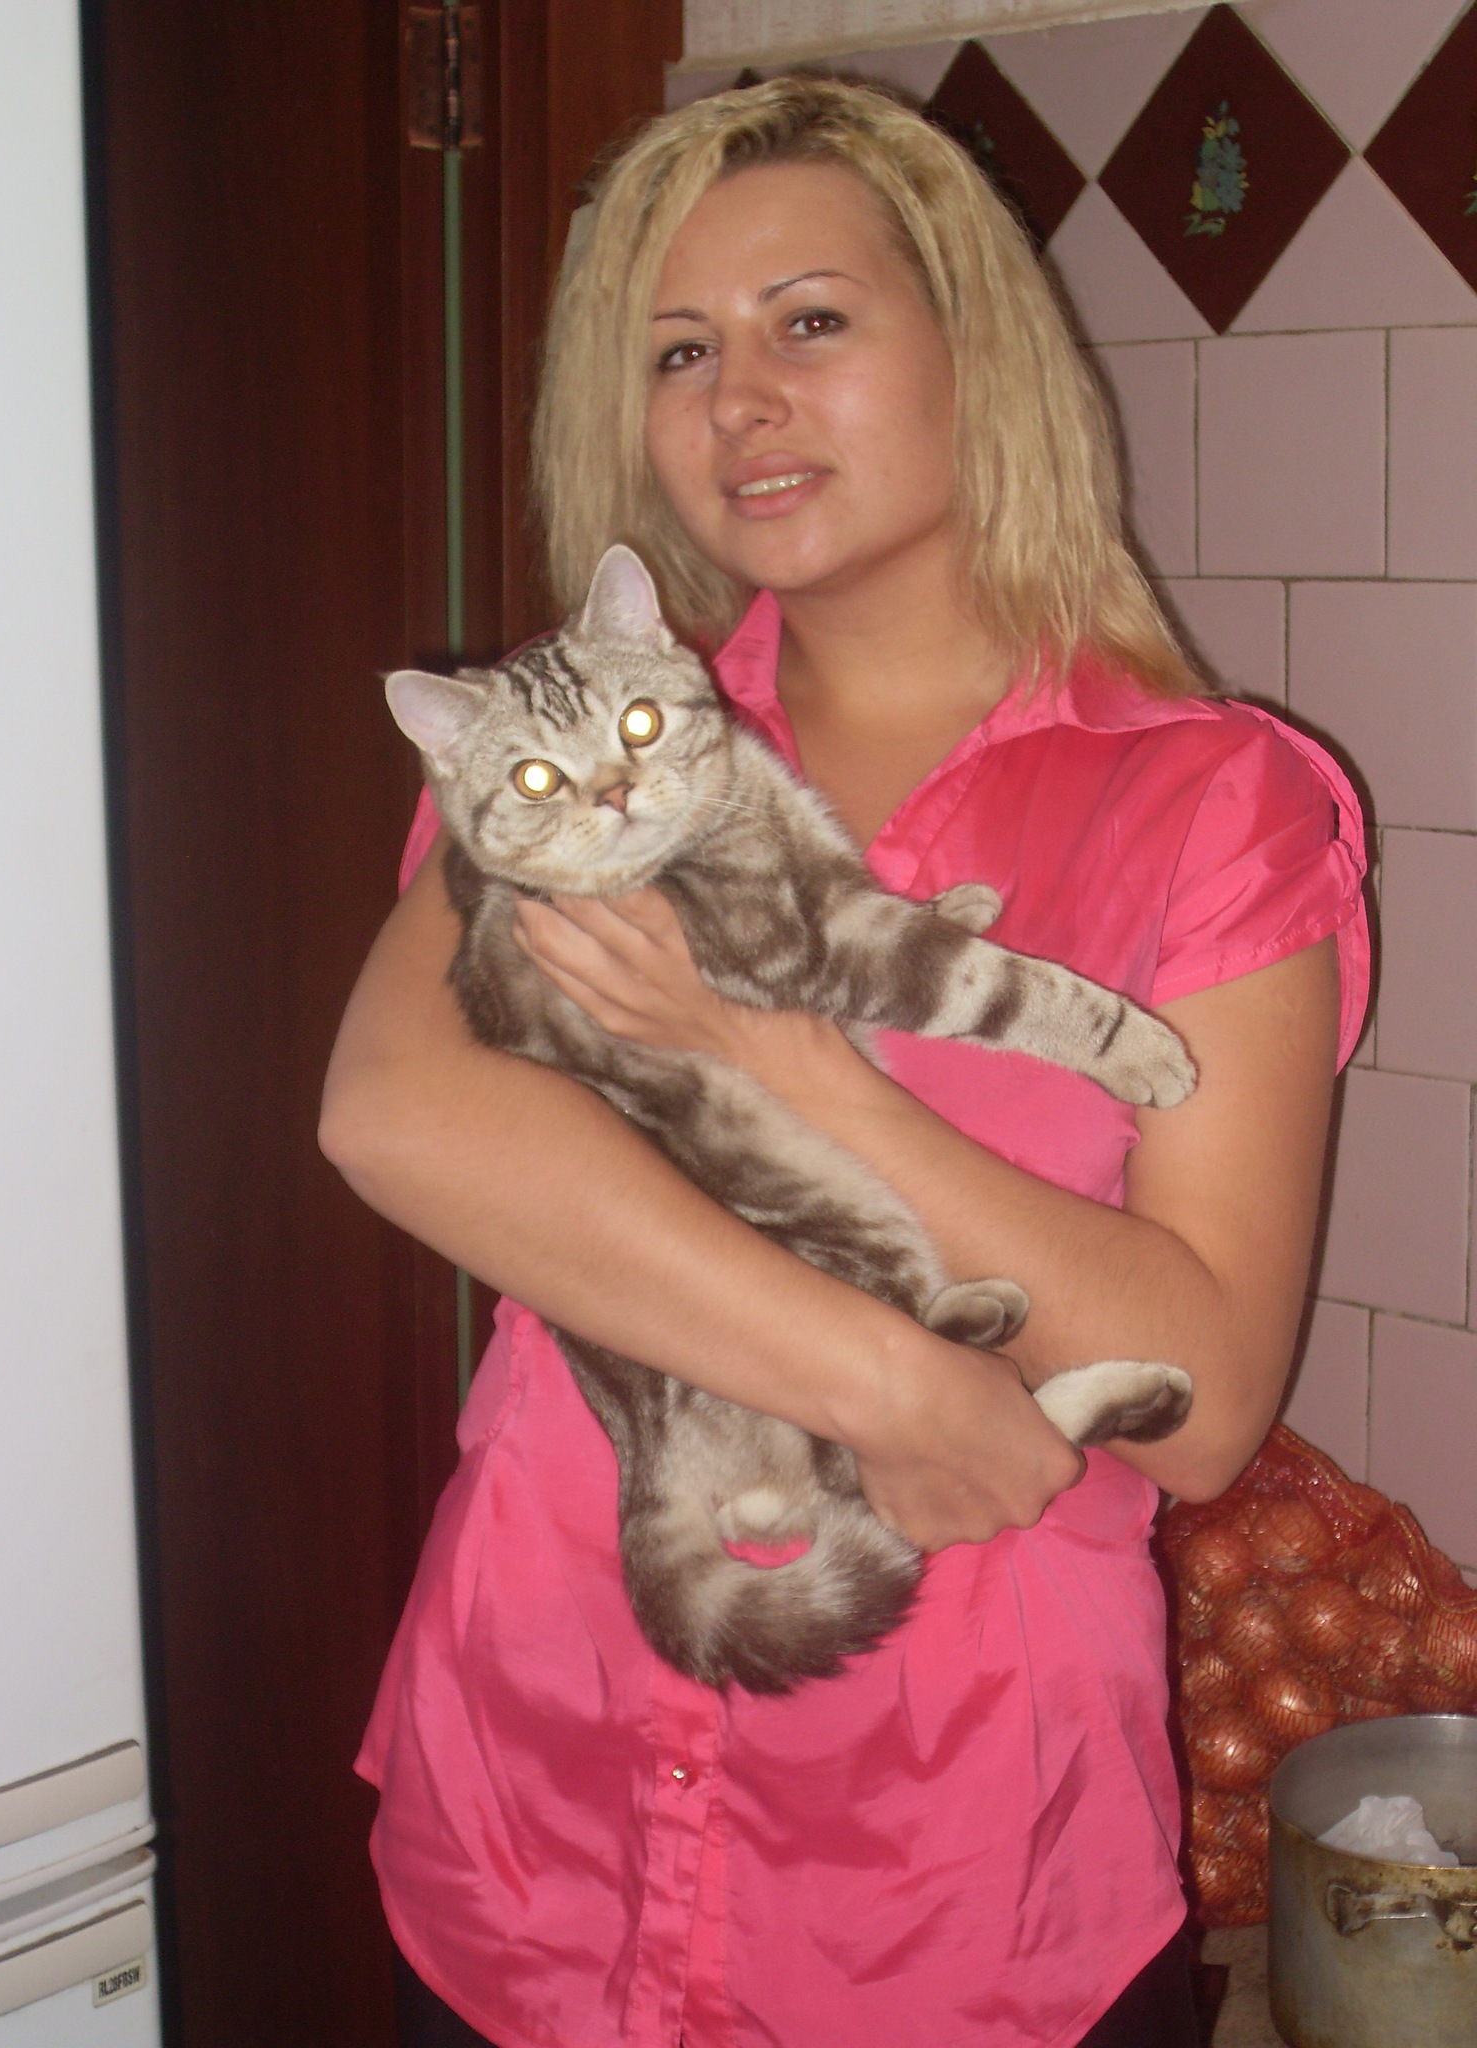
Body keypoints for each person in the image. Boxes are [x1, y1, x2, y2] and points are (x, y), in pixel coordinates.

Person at [321, 76, 1367, 2048]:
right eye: (679, 352)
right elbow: (399, 1111)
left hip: (953, 1892)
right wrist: (894, 1378)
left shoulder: (1212, 805)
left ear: (975, 351)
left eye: (810, 320)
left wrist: (811, 1071)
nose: (740, 400)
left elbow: (1202, 1398)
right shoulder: (577, 749)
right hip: (529, 1822)